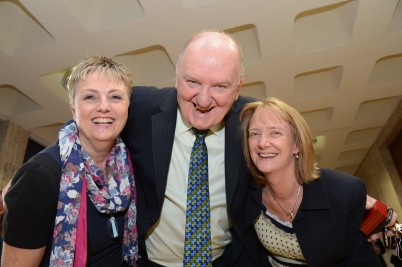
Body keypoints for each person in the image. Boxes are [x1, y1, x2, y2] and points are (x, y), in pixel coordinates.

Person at [121, 30, 396, 267]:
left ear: (238, 87)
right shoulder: (140, 107)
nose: (203, 99)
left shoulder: (251, 119)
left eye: (220, 86)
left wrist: (348, 200)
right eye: (192, 82)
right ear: (177, 76)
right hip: (151, 260)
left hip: (227, 260)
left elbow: (285, 157)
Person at [2, 56, 138, 267]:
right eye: (90, 97)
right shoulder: (41, 175)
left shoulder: (128, 164)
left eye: (115, 97)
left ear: (128, 107)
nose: (104, 107)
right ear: (73, 110)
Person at [240, 97, 382, 266]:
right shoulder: (245, 190)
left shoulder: (344, 191)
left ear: (297, 145)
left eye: (275, 133)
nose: (262, 143)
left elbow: (361, 261)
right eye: (254, 134)